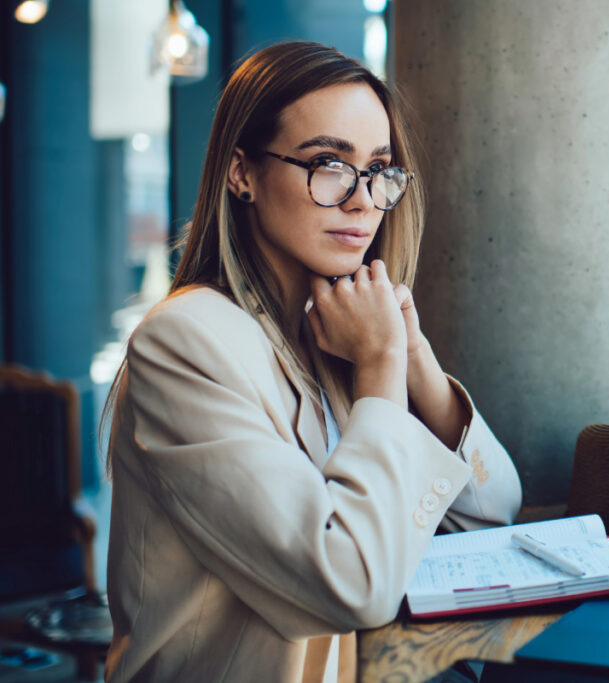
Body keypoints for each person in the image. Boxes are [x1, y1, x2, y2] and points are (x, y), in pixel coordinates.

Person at [103, 41, 522, 683]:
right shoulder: (186, 340)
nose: (363, 200)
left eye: (378, 169)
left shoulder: (332, 330)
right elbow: (352, 586)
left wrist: (413, 358)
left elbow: (492, 510)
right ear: (242, 173)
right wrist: (380, 367)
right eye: (328, 163)